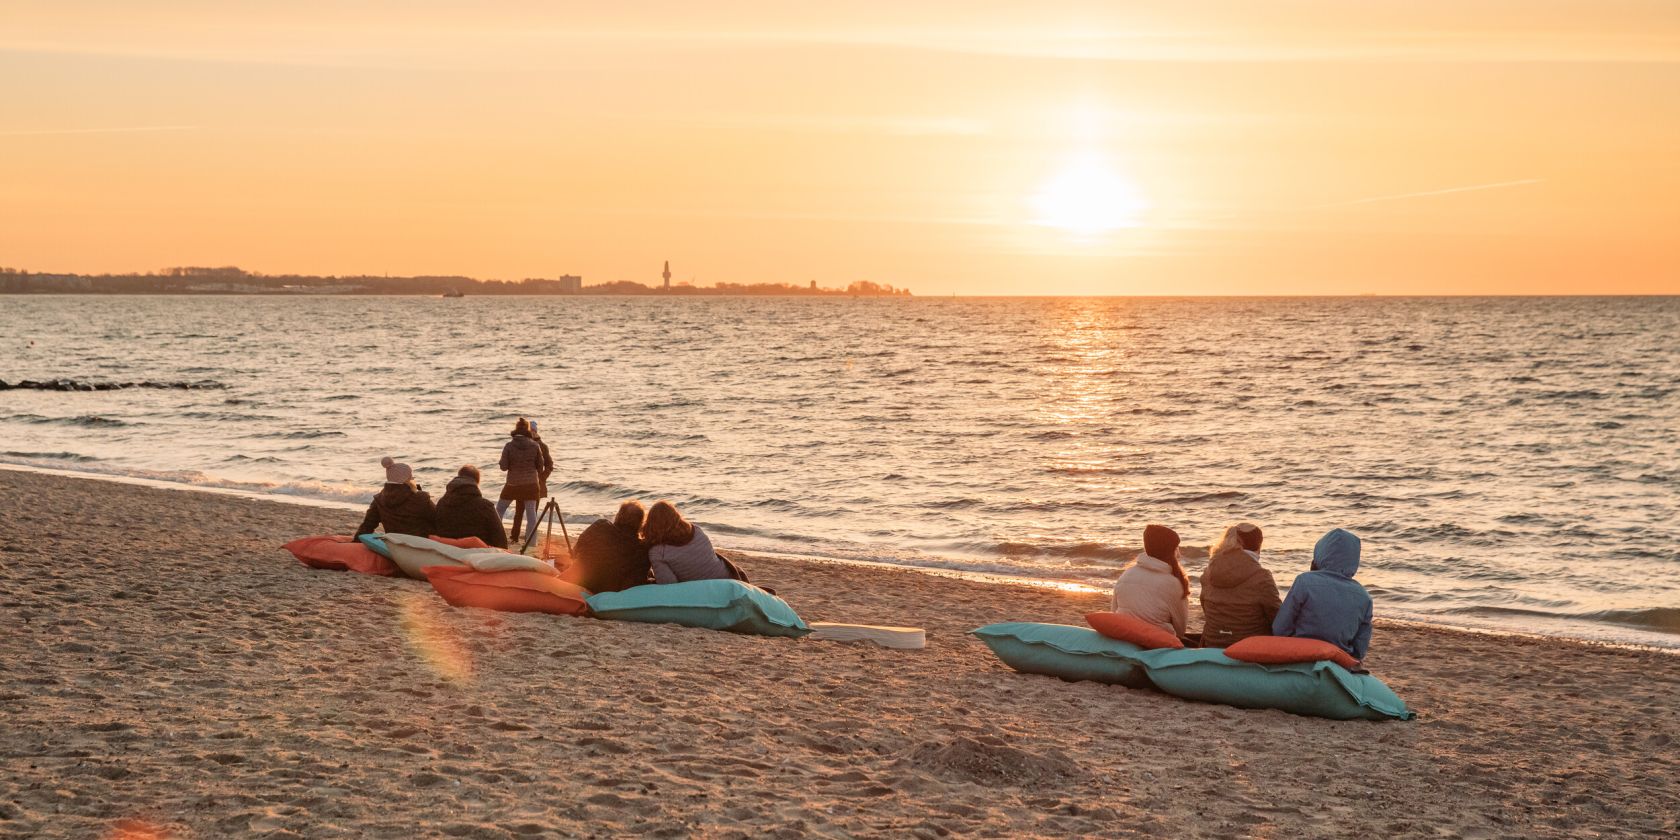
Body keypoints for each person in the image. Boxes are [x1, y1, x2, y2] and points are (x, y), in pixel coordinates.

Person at [1273, 528, 1374, 663]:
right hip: (1337, 661)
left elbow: (1279, 628)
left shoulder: (1305, 581)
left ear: (1321, 553)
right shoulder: (1364, 598)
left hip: (1299, 655)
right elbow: (1359, 650)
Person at [1199, 523, 1281, 648]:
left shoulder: (1208, 572)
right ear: (1259, 546)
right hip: (1250, 647)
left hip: (1212, 642)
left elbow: (1205, 606)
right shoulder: (1262, 576)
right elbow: (1277, 617)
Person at [1110, 524, 1191, 640]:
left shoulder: (1126, 574)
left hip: (1125, 636)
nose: (1178, 554)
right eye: (1176, 548)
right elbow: (1180, 630)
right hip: (1155, 642)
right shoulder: (1173, 583)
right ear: (1171, 551)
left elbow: (1114, 612)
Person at [562, 501, 652, 593]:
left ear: (618, 516)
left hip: (584, 583)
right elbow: (638, 580)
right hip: (611, 591)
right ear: (640, 523)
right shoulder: (642, 549)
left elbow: (575, 551)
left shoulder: (600, 526)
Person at [641, 500, 730, 584]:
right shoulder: (696, 529)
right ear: (676, 516)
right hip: (726, 577)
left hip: (704, 589)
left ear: (651, 523)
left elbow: (669, 584)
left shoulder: (658, 552)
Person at [354, 456, 436, 538]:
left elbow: (367, 526)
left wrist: (355, 543)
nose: (412, 477)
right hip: (419, 543)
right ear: (406, 479)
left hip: (394, 543)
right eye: (410, 475)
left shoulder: (379, 499)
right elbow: (437, 519)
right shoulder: (421, 498)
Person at [432, 465, 509, 548]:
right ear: (477, 482)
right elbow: (501, 541)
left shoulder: (442, 503)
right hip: (478, 555)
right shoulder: (485, 506)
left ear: (459, 477)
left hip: (447, 552)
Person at [498, 417, 545, 542]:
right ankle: (531, 544)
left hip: (513, 484)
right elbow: (540, 467)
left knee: (499, 510)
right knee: (531, 515)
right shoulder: (535, 446)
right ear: (528, 430)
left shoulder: (508, 446)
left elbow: (503, 467)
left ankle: (496, 538)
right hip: (531, 484)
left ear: (516, 429)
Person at [512, 421, 557, 544]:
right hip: (521, 483)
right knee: (519, 511)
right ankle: (514, 537)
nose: (530, 432)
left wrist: (542, 478)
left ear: (535, 431)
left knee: (532, 513)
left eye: (533, 430)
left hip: (536, 485)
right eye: (529, 430)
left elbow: (549, 465)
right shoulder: (521, 444)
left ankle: (529, 537)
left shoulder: (542, 446)